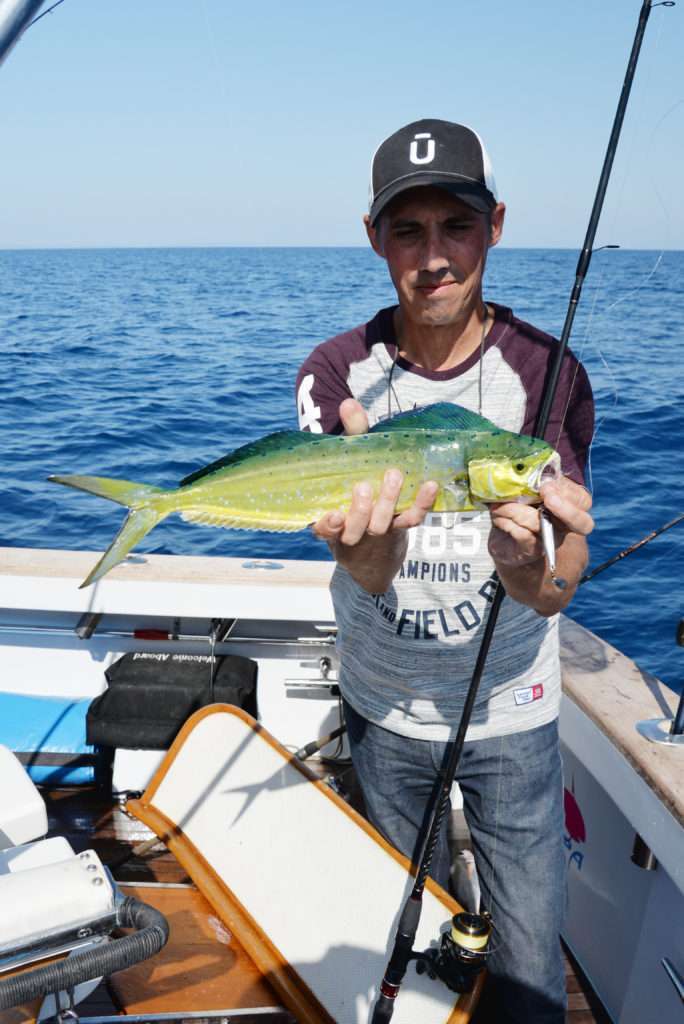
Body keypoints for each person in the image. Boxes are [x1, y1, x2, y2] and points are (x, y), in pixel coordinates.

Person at [295, 119, 594, 1024]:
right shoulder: (336, 374)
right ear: (374, 238)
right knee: (400, 958)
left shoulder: (547, 373)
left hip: (515, 711)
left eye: (456, 226)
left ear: (495, 226)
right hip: (382, 708)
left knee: (531, 979)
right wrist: (368, 545)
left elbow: (558, 581)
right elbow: (372, 574)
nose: (433, 257)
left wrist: (525, 566)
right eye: (407, 231)